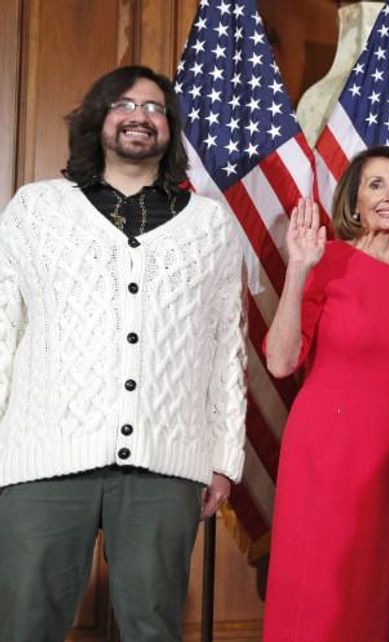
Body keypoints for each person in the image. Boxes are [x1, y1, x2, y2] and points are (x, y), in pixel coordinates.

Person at [0, 65, 247, 642]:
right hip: (44, 457)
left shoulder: (209, 226)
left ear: (170, 128)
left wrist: (223, 457)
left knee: (152, 627)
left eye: (156, 108)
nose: (140, 116)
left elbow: (224, 348)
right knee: (25, 623)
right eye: (124, 104)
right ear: (98, 119)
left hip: (165, 463)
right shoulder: (36, 210)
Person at [261, 146, 389, 642]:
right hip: (325, 452)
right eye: (376, 184)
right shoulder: (326, 261)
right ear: (353, 202)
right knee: (316, 589)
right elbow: (280, 361)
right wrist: (297, 270)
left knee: (371, 595)